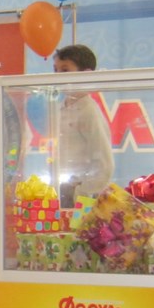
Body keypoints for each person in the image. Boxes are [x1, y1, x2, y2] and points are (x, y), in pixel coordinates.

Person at [52, 44, 113, 207]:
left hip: (77, 192)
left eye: (65, 70)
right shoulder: (58, 108)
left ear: (85, 74)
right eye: (55, 70)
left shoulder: (89, 111)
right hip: (57, 188)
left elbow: (104, 164)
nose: (57, 77)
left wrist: (81, 193)